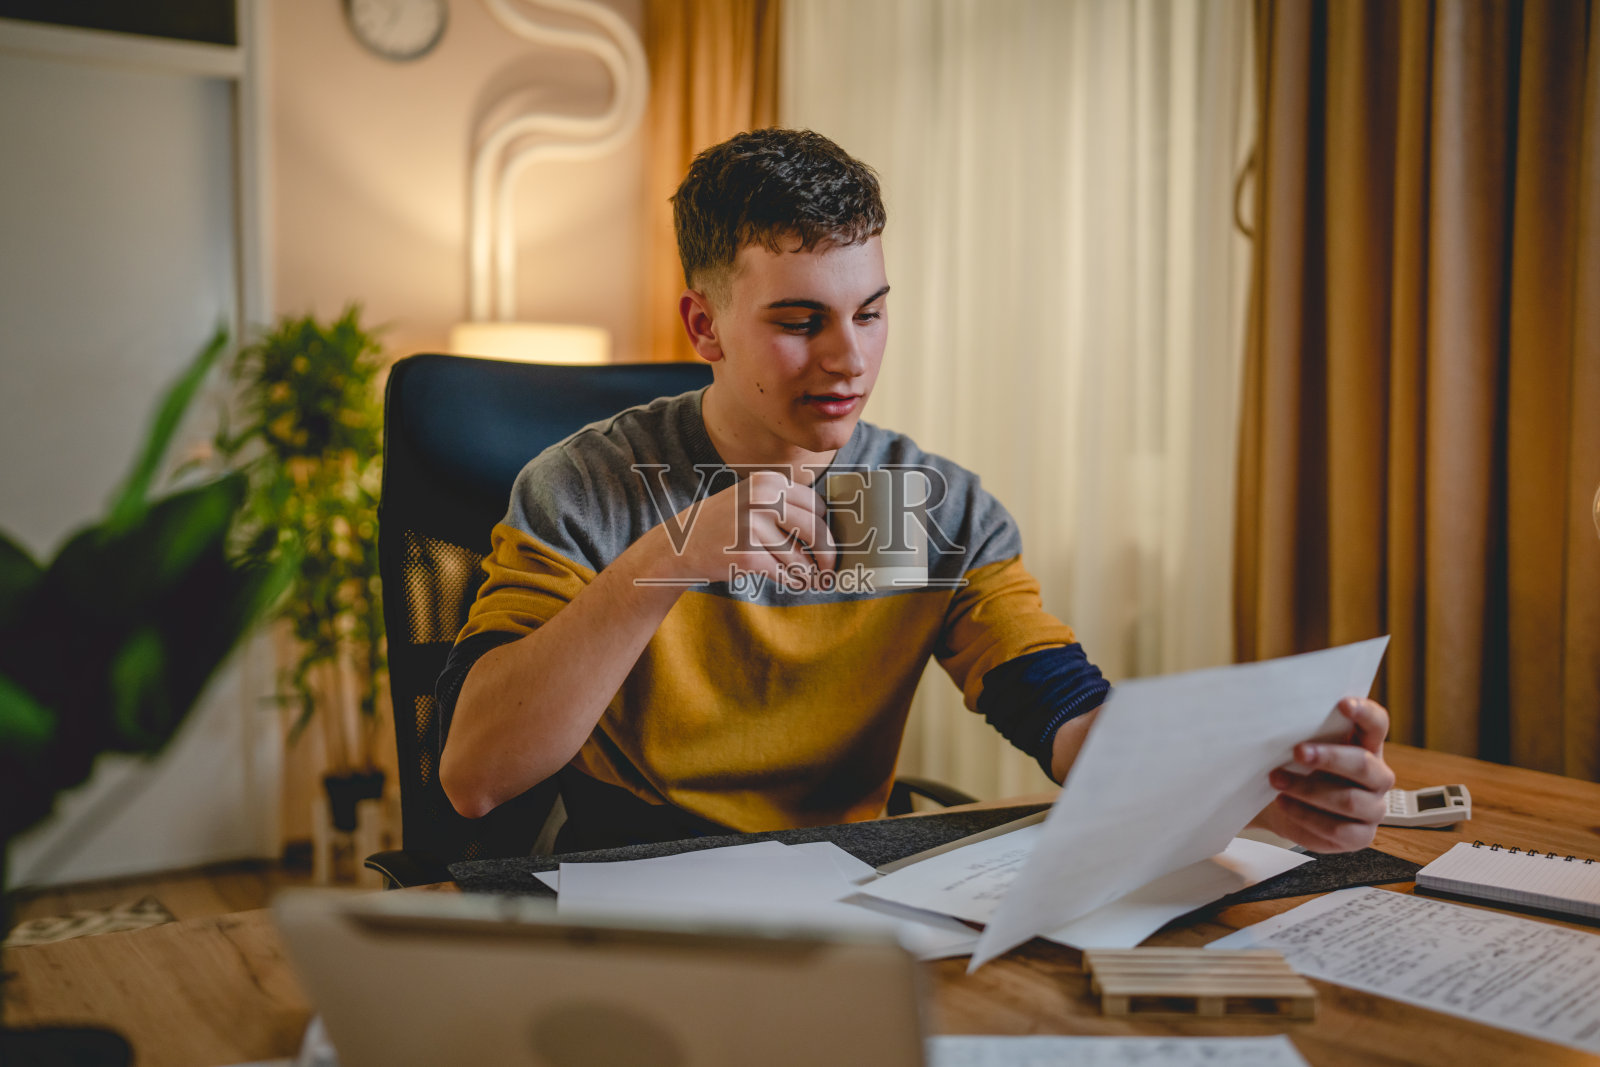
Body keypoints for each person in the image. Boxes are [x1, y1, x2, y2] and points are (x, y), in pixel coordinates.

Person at [437, 127, 1396, 854]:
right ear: (705, 325)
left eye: (870, 311)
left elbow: (1065, 712)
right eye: (800, 319)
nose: (848, 358)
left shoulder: (928, 508)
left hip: (846, 890)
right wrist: (672, 556)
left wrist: (1248, 788)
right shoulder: (590, 488)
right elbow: (477, 777)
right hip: (636, 888)